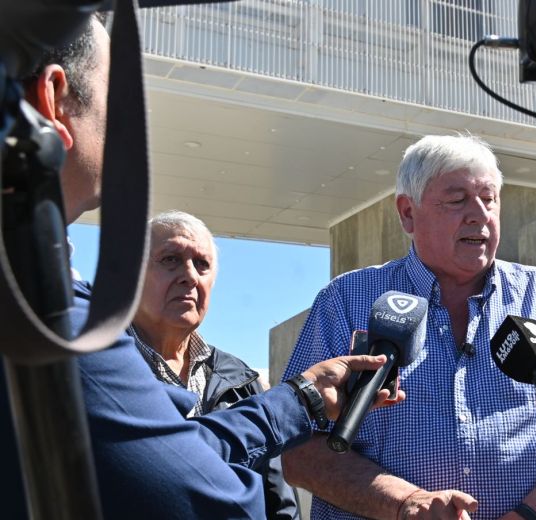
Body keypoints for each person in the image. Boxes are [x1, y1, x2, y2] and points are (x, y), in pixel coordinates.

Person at [4, 13, 402, 518]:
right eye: (119, 100)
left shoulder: (233, 375)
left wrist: (300, 399)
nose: (189, 276)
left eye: (202, 264)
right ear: (54, 99)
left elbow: (190, 456)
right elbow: (204, 495)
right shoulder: (52, 318)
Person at [281, 134, 536, 520]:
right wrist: (403, 503)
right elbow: (297, 447)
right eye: (457, 200)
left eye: (489, 199)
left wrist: (533, 514)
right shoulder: (346, 300)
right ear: (408, 212)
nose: (479, 214)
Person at [129, 210, 300, 519]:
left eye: (202, 265)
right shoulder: (101, 366)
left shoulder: (241, 379)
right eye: (170, 260)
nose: (190, 276)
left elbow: (277, 498)